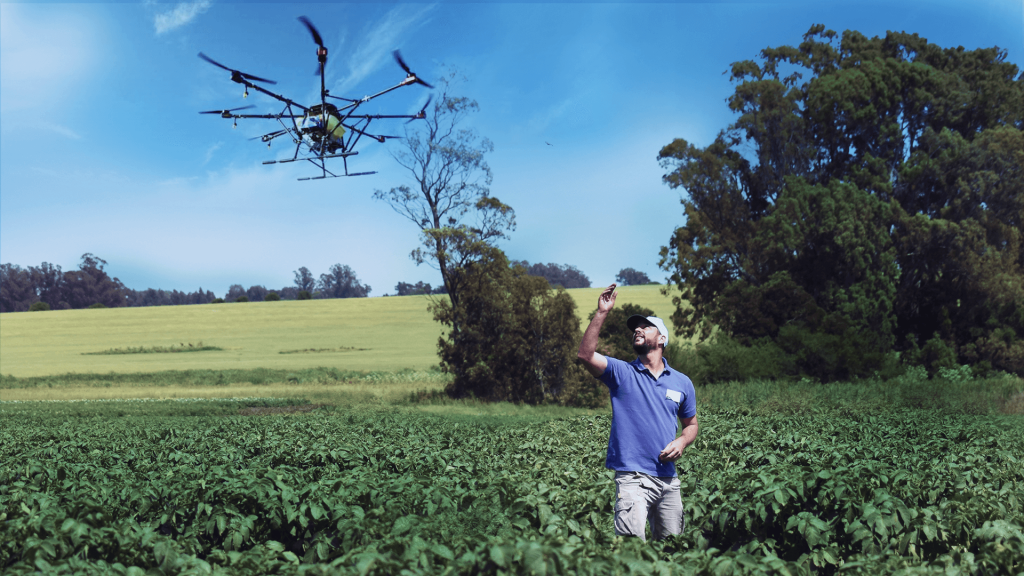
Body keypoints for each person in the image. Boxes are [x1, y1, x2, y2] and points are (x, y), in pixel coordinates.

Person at [577, 283, 698, 541]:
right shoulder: (622, 373)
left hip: (669, 481)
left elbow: (691, 424)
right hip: (632, 478)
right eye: (635, 328)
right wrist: (601, 313)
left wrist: (682, 440)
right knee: (630, 551)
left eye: (646, 326)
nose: (638, 330)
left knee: (673, 552)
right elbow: (585, 355)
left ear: (662, 339)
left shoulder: (682, 382)